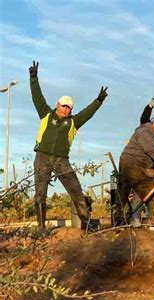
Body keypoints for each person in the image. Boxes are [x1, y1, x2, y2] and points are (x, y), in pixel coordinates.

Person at [29, 61, 107, 232]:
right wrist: (33, 78)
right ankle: (41, 228)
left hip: (62, 161)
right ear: (57, 104)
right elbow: (37, 96)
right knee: (40, 194)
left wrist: (99, 100)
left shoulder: (74, 122)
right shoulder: (46, 114)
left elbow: (88, 113)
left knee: (76, 190)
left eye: (68, 107)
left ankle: (86, 224)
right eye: (63, 105)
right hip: (42, 157)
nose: (65, 109)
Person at [115, 100, 154, 231]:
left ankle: (118, 222)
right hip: (132, 164)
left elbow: (153, 151)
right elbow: (150, 151)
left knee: (123, 193)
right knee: (149, 190)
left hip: (132, 163)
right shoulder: (146, 131)